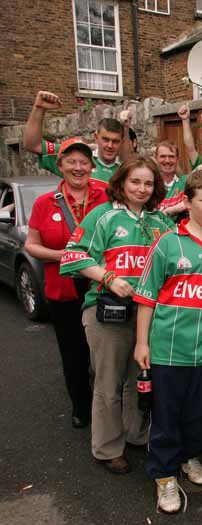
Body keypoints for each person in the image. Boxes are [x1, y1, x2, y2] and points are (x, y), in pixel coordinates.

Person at [134, 170, 202, 513]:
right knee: (165, 417)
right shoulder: (168, 243)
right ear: (187, 203)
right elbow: (147, 297)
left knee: (199, 417)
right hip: (167, 352)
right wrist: (142, 344)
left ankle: (190, 458)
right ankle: (165, 477)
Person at [60, 157, 174, 474]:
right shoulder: (103, 215)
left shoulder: (161, 222)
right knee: (108, 384)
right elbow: (72, 256)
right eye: (135, 181)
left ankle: (137, 434)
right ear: (122, 182)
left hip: (146, 315)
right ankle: (108, 448)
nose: (141, 188)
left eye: (148, 183)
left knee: (138, 379)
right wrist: (108, 277)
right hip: (106, 313)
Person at [24, 138, 108, 429]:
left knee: (105, 354)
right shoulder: (44, 204)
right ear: (59, 166)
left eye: (84, 162)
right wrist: (63, 255)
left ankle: (107, 408)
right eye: (71, 161)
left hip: (101, 289)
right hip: (62, 290)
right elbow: (31, 245)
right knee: (73, 353)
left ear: (92, 166)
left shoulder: (107, 195)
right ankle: (81, 407)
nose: (78, 167)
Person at [23, 91, 129, 185]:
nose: (110, 146)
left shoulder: (126, 171)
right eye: (105, 140)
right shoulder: (76, 155)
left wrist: (126, 127)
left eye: (115, 141)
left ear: (121, 142)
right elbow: (33, 145)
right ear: (96, 137)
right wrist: (39, 108)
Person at [156, 108, 202, 216]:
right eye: (163, 156)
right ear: (156, 158)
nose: (167, 160)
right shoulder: (149, 184)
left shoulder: (185, 182)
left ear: (177, 159)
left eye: (171, 156)